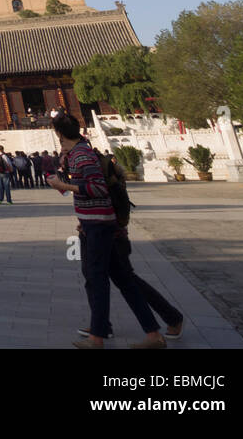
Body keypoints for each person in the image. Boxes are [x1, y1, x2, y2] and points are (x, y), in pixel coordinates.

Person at [48, 111, 164, 349]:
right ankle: (153, 335)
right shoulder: (80, 153)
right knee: (123, 280)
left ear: (59, 133)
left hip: (98, 225)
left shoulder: (82, 155)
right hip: (95, 221)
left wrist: (63, 185)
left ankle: (97, 338)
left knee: (96, 278)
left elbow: (98, 189)